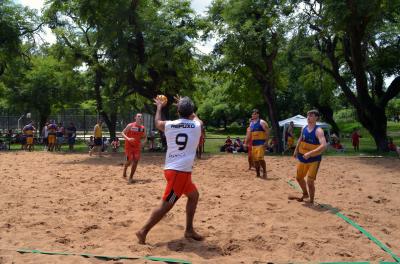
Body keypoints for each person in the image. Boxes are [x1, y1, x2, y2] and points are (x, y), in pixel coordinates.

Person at [136, 96, 203, 245]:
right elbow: (197, 119)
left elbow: (157, 122)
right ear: (191, 111)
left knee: (194, 196)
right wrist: (186, 107)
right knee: (167, 203)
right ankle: (143, 231)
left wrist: (159, 107)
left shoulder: (170, 125)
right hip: (179, 174)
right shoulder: (197, 126)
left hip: (175, 171)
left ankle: (189, 230)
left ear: (178, 111)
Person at [290, 110, 328, 204]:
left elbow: (323, 145)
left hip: (314, 160)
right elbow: (300, 138)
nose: (308, 117)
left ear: (316, 118)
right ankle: (305, 193)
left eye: (311, 115)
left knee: (310, 182)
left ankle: (311, 201)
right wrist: (296, 150)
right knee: (299, 178)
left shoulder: (318, 130)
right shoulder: (304, 127)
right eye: (308, 115)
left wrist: (310, 153)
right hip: (302, 157)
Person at [121, 113, 147, 184]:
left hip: (137, 147)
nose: (140, 117)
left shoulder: (143, 128)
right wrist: (128, 138)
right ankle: (125, 169)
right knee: (129, 161)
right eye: (138, 116)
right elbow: (122, 133)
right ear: (135, 117)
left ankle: (131, 178)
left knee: (135, 161)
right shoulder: (130, 125)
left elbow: (145, 137)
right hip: (128, 146)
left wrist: (143, 142)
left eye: (141, 117)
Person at [245, 109, 269, 179]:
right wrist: (246, 142)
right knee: (255, 160)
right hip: (254, 144)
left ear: (258, 115)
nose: (253, 115)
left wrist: (266, 142)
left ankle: (264, 172)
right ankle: (258, 174)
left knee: (260, 158)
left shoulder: (262, 122)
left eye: (255, 114)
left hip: (261, 143)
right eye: (252, 114)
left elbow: (267, 131)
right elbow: (249, 134)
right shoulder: (251, 124)